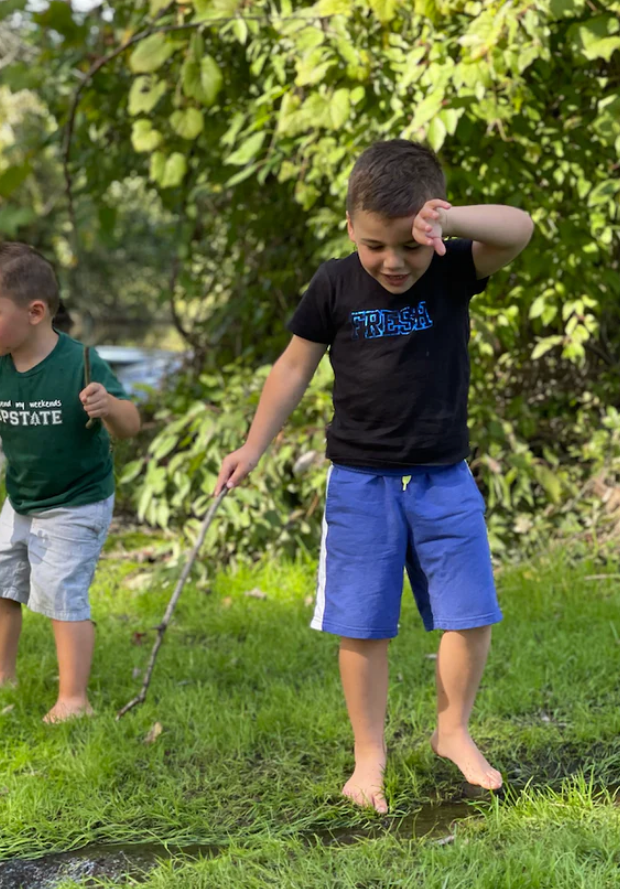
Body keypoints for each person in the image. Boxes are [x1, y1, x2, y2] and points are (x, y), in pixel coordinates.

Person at [215, 139, 534, 812]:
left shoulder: (452, 268)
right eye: (373, 246)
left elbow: (520, 228)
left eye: (408, 248)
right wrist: (253, 446)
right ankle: (370, 757)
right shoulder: (334, 283)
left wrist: (448, 224)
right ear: (351, 230)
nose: (392, 262)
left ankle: (453, 732)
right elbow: (293, 368)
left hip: (444, 478)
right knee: (363, 626)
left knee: (470, 613)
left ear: (433, 233)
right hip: (361, 483)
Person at [0, 242, 141, 722]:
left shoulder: (82, 363)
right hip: (23, 499)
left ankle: (74, 699)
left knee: (60, 592)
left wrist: (109, 407)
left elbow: (131, 423)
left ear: (34, 312)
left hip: (77, 502)